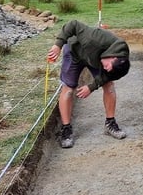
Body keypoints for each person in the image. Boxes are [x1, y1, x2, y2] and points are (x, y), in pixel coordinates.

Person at [47, 20, 131, 148]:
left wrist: (91, 87)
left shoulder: (121, 59)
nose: (107, 69)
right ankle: (66, 129)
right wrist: (58, 45)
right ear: (113, 58)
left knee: (109, 86)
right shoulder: (93, 39)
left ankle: (110, 123)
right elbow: (73, 24)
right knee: (68, 89)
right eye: (108, 66)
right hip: (74, 52)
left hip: (95, 59)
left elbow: (109, 74)